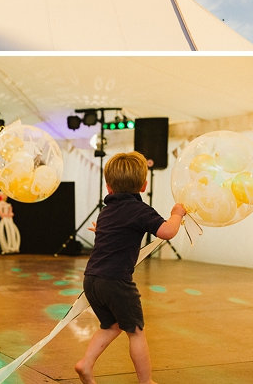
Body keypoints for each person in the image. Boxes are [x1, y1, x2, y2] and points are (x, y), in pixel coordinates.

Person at [75, 151, 186, 384]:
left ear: (108, 187)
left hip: (92, 279)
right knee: (135, 331)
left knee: (111, 325)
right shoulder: (140, 210)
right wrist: (177, 214)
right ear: (144, 185)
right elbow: (167, 231)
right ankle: (146, 382)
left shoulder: (106, 212)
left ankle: (85, 364)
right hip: (116, 281)